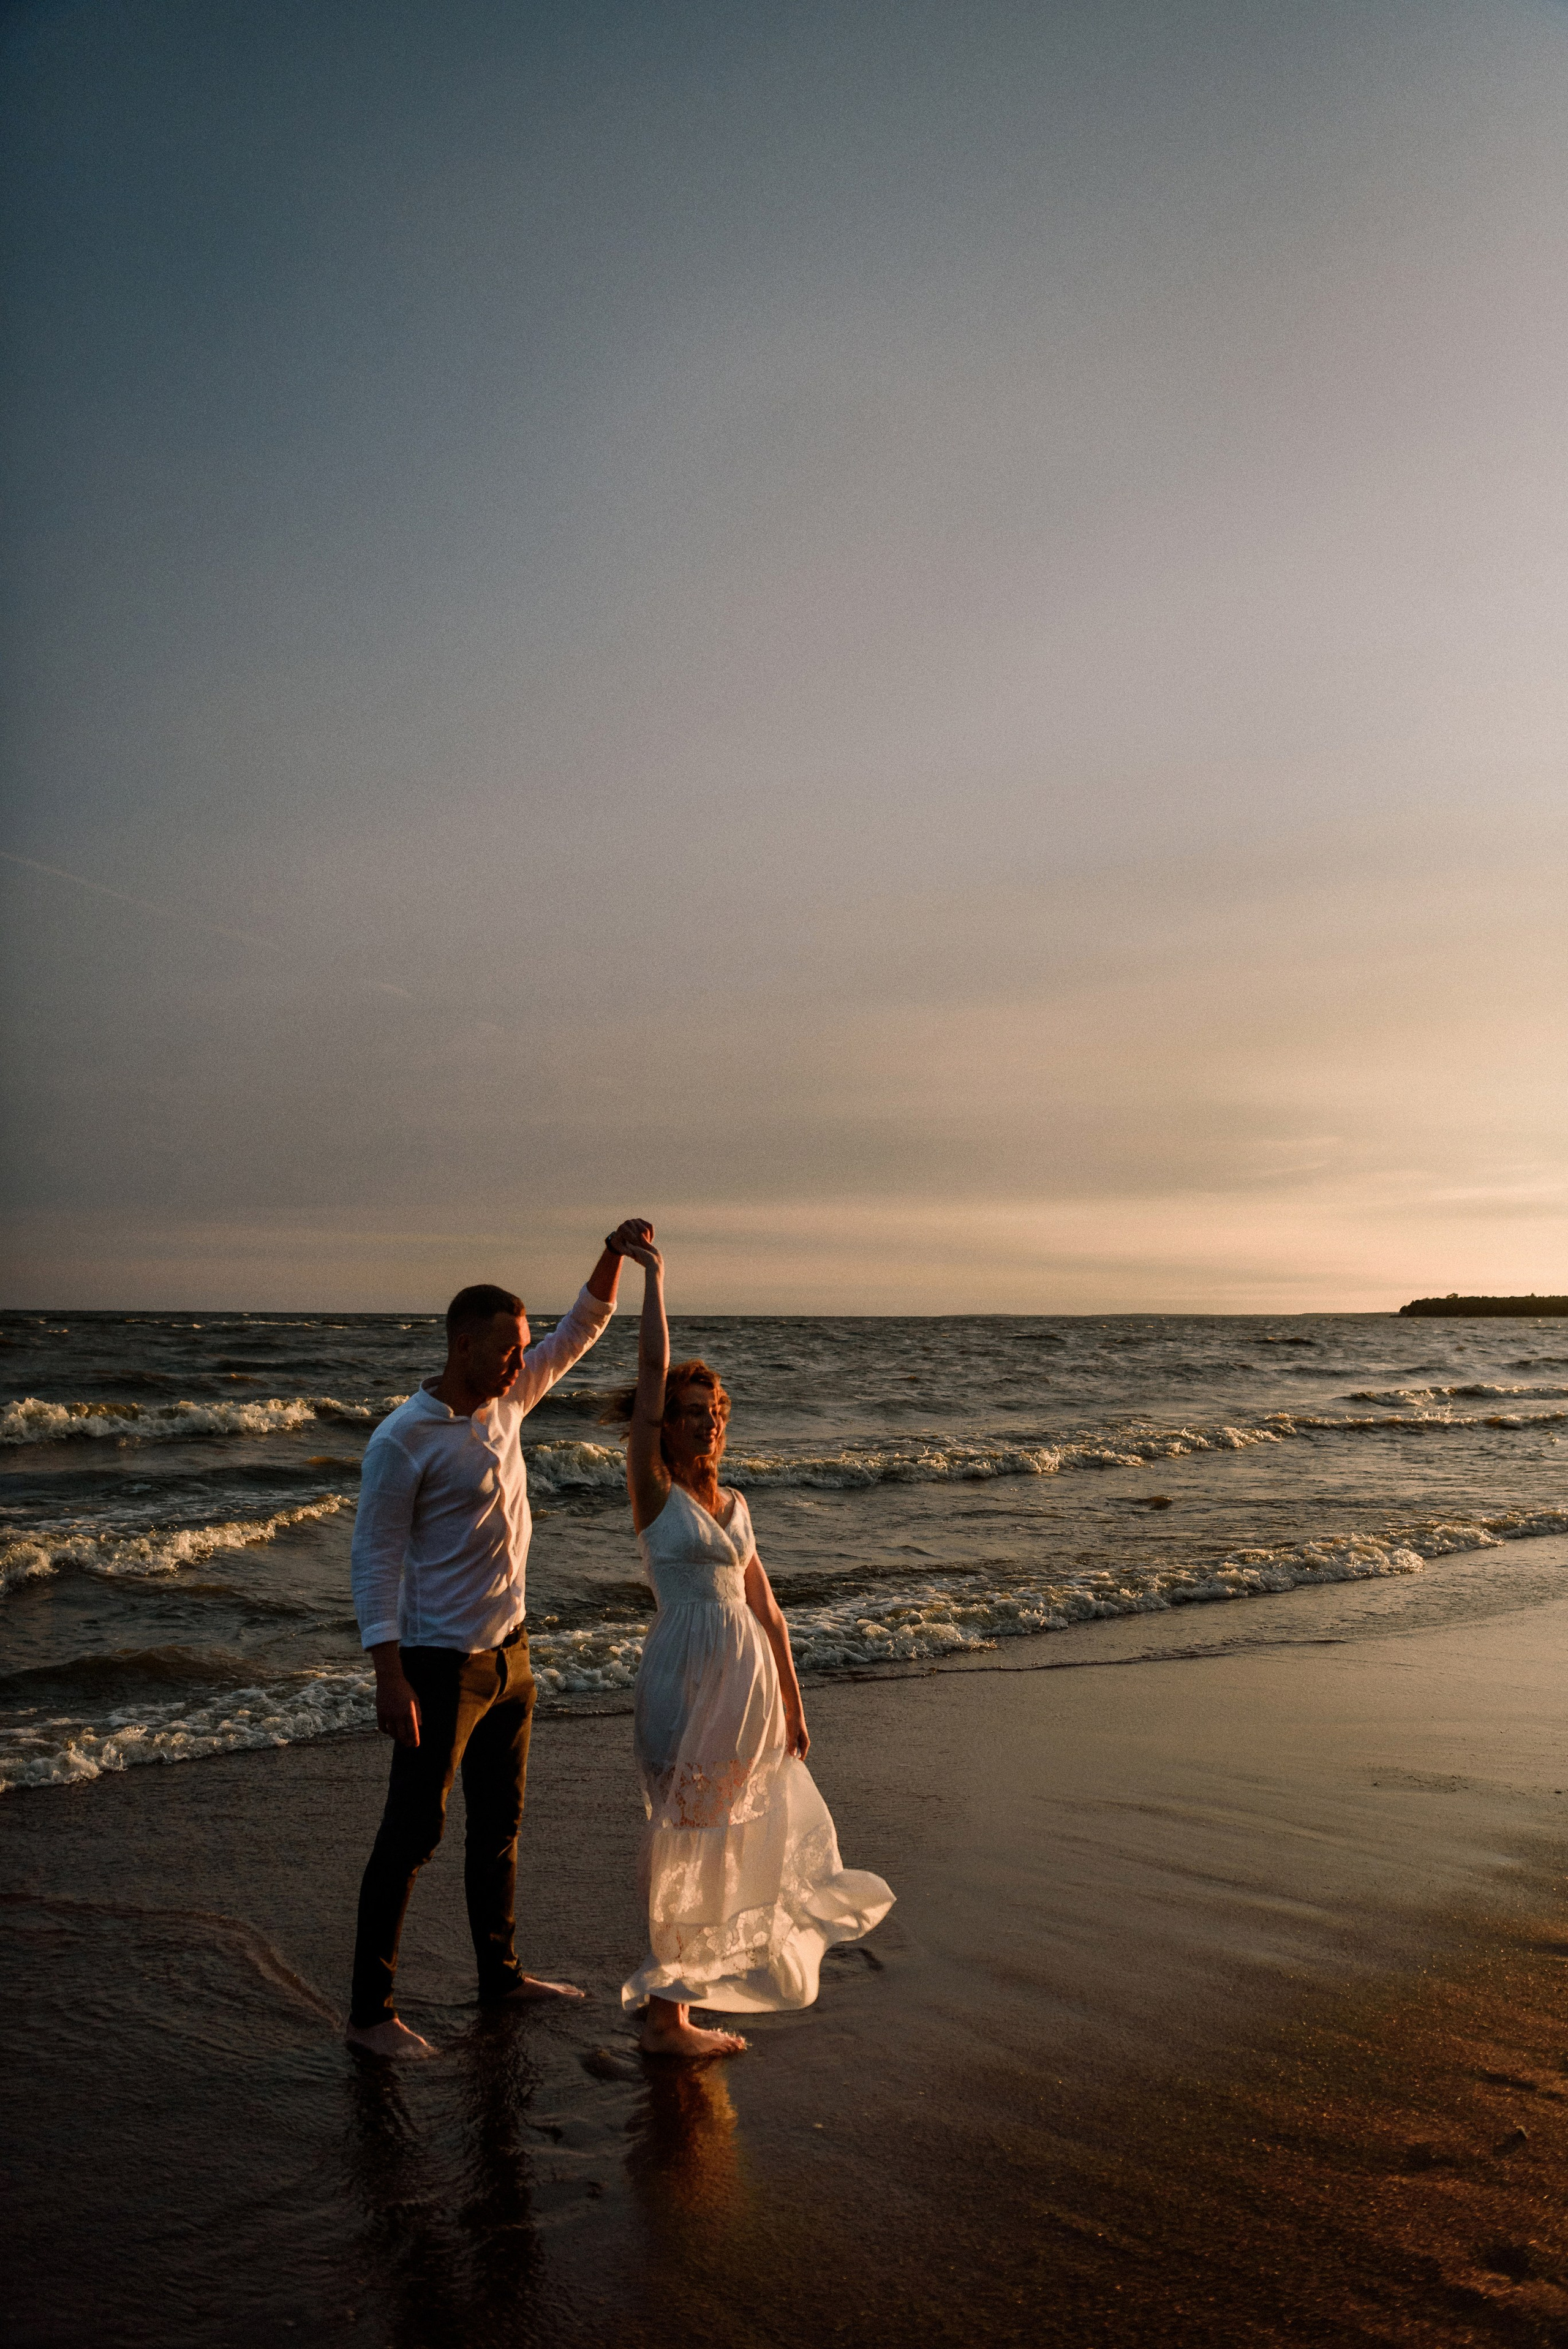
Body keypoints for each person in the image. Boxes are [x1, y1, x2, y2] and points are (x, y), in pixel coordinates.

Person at [345, 1221, 650, 2058]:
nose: (524, 1358)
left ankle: (502, 1977)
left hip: (513, 1658)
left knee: (500, 1828)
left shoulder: (510, 1400)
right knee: (413, 1837)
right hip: (440, 1668)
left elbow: (581, 1327)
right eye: (510, 1347)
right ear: (463, 1343)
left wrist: (614, 1254)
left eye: (524, 1347)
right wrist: (389, 1676)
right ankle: (371, 2015)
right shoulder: (404, 1439)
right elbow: (373, 1561)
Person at [606, 1237, 894, 2057]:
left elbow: (769, 1609)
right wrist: (656, 1279)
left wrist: (796, 1706)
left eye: (713, 1413)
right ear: (664, 1425)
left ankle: (679, 2004)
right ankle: (668, 2010)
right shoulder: (652, 1492)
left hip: (749, 1689)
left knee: (727, 1840)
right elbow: (653, 1367)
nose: (704, 1422)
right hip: (680, 1676)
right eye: (689, 1412)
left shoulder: (735, 1502)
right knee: (680, 1835)